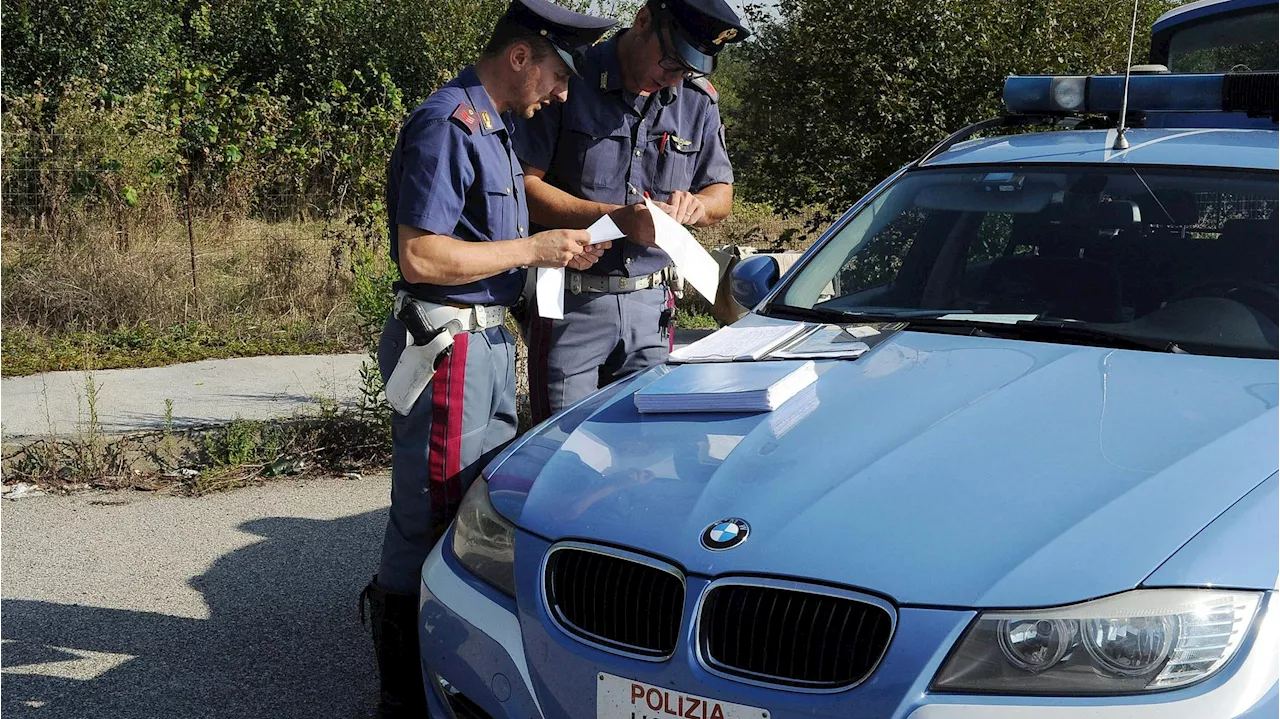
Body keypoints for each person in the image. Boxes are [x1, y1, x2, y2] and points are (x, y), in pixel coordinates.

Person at [360, 2, 617, 716]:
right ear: (520, 57)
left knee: (477, 514)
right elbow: (422, 253)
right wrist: (533, 248)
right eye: (560, 74)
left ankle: (454, 670)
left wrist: (552, 255)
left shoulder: (497, 129)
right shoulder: (448, 124)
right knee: (432, 518)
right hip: (452, 348)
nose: (564, 92)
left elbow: (487, 248)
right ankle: (404, 694)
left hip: (488, 341)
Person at [514, 0, 748, 424]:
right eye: (670, 61)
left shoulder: (696, 101)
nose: (673, 78)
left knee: (645, 452)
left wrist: (697, 206)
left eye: (686, 70)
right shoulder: (568, 81)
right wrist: (618, 219)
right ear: (642, 21)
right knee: (562, 447)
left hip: (652, 307)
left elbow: (722, 192)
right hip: (571, 298)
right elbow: (525, 188)